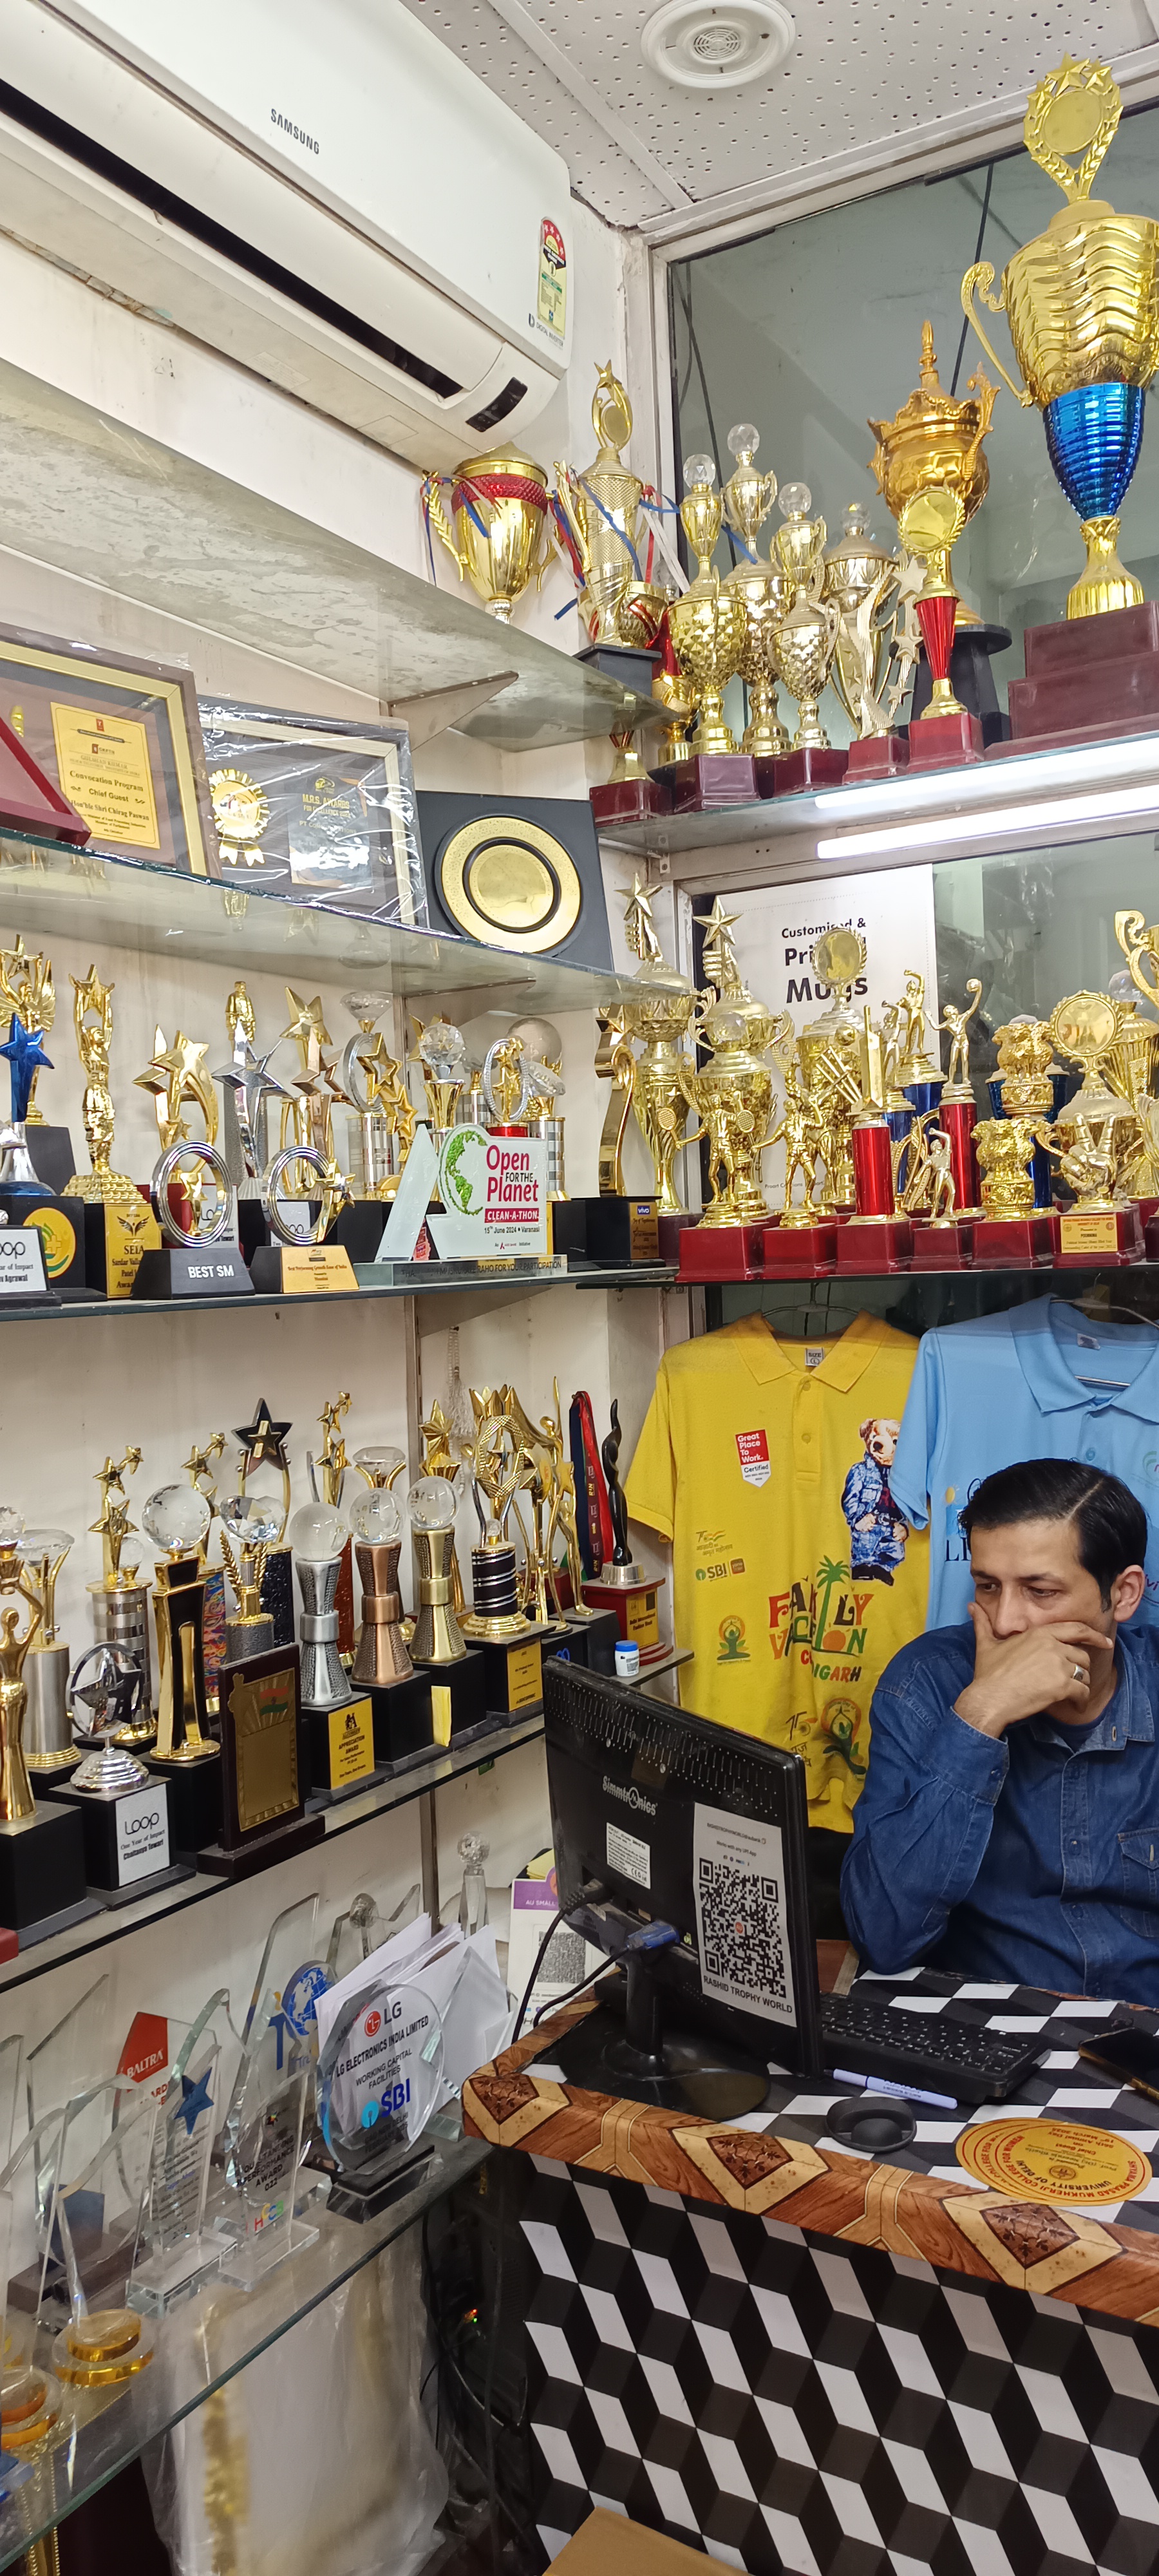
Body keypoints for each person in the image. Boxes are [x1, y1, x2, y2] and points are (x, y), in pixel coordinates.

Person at [840, 1459, 1159, 2002]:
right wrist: (980, 1715)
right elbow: (883, 1938)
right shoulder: (926, 1683)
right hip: (986, 2026)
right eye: (988, 1586)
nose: (1007, 1621)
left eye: (1041, 1591)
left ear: (1124, 1594)